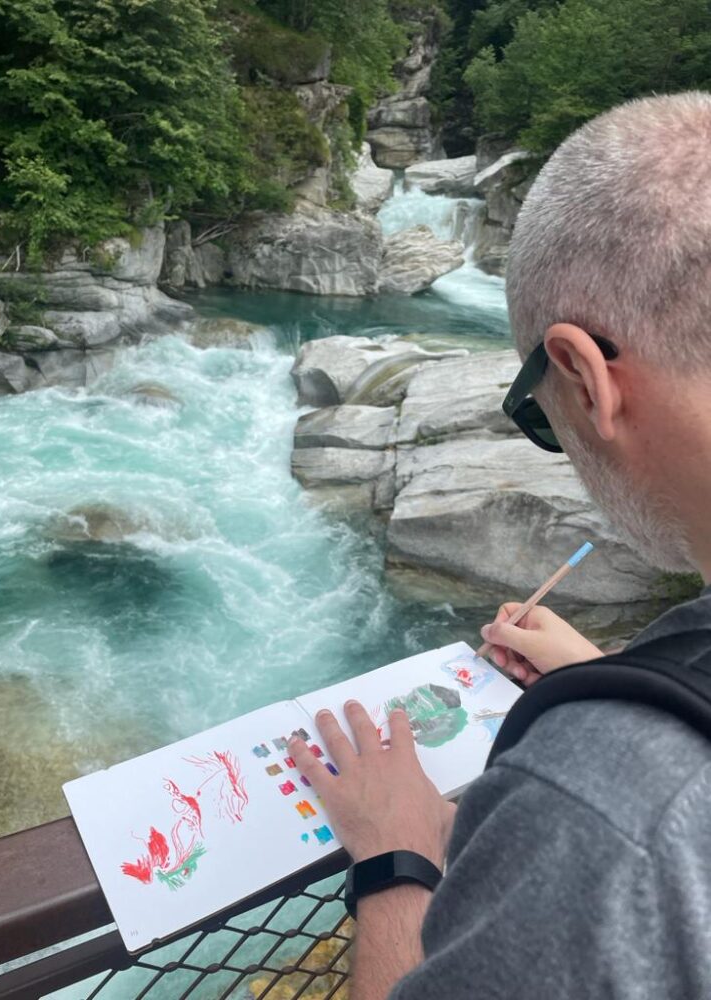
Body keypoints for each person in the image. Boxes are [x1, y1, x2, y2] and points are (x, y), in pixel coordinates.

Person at [288, 91, 711, 1000]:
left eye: (538, 418)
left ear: (580, 373)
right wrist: (631, 680)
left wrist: (395, 853)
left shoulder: (601, 809)